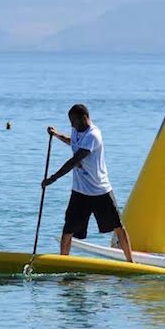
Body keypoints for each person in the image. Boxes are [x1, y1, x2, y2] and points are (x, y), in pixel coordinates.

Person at [43, 104, 134, 263]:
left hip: (100, 190)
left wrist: (53, 178)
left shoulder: (94, 135)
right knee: (68, 228)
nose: (71, 124)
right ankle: (63, 263)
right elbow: (73, 143)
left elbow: (74, 160)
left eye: (73, 121)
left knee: (118, 226)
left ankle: (131, 262)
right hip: (80, 191)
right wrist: (57, 135)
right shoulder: (77, 130)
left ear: (84, 117)